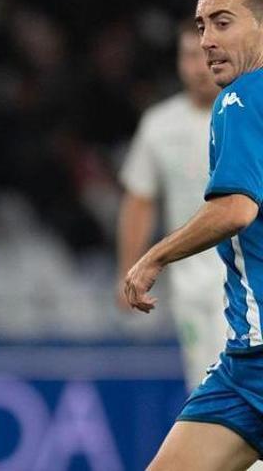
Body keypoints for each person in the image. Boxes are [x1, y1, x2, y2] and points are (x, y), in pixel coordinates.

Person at [125, 0, 263, 471]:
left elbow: (235, 208)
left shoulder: (241, 99)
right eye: (202, 26)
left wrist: (151, 258)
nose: (207, 40)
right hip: (243, 364)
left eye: (223, 23)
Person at [116, 21, 227, 392]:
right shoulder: (160, 126)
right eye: (189, 56)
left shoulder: (249, 113)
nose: (198, 66)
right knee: (206, 389)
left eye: (205, 54)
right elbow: (139, 202)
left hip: (249, 277)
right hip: (192, 284)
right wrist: (128, 271)